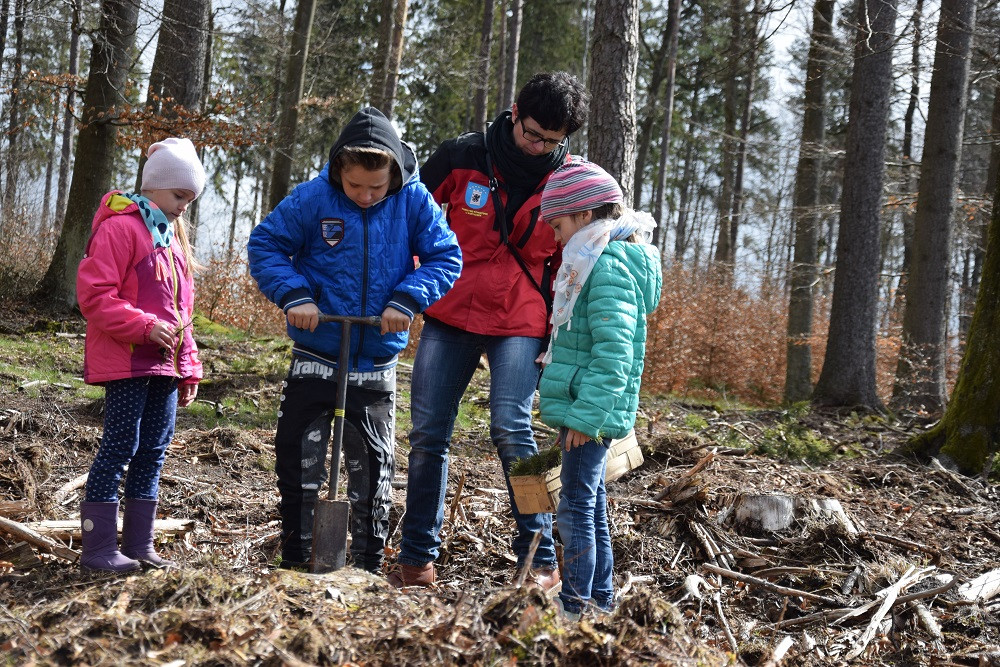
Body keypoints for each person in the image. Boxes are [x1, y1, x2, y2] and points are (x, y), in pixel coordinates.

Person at [392, 72, 589, 589]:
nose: (539, 146)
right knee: (429, 432)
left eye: (553, 139)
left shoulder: (570, 178)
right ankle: (416, 560)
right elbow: (407, 214)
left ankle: (539, 561)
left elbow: (589, 251)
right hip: (451, 309)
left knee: (510, 424)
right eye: (532, 133)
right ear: (514, 109)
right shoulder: (460, 155)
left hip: (521, 315)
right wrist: (413, 282)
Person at [248, 106, 461, 574]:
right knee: (298, 459)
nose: (365, 196)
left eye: (376, 187)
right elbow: (265, 245)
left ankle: (366, 564)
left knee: (373, 467)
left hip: (375, 359)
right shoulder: (312, 199)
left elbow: (446, 256)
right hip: (316, 352)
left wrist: (407, 299)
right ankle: (296, 558)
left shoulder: (414, 201)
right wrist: (295, 295)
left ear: (394, 174)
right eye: (355, 186)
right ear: (338, 170)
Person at [536, 160, 662, 620]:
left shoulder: (606, 266)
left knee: (574, 511)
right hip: (586, 408)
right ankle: (600, 602)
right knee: (591, 507)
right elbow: (588, 340)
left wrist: (585, 418)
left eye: (558, 223)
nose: (554, 236)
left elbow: (614, 357)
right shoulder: (594, 260)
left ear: (585, 216)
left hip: (591, 414)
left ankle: (575, 607)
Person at [76, 137, 206, 572]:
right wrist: (145, 327)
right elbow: (95, 295)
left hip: (164, 367)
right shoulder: (120, 227)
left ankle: (138, 544)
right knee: (119, 446)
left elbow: (181, 312)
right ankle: (97, 551)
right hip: (129, 361)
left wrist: (188, 369)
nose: (184, 206)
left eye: (190, 199)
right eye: (179, 195)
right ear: (153, 186)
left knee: (154, 449)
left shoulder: (171, 239)